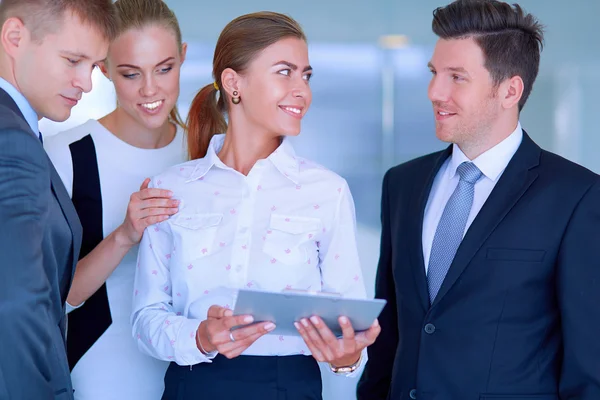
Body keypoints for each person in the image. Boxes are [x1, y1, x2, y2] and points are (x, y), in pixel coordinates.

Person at [131, 11, 381, 400]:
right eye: (285, 72)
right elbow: (145, 318)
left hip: (290, 387)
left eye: (306, 75)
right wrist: (199, 336)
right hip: (193, 383)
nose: (302, 90)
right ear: (234, 84)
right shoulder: (173, 188)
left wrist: (347, 357)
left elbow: (345, 326)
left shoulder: (327, 191)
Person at [357, 1, 600, 399]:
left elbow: (589, 365)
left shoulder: (576, 197)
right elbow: (391, 338)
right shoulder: (402, 185)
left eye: (457, 77)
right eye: (435, 74)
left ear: (510, 90)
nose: (435, 92)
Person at [44, 0, 188, 398]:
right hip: (102, 368)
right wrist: (124, 235)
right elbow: (54, 297)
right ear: (104, 69)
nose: (150, 90)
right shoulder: (66, 154)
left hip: (196, 367)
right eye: (130, 73)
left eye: (164, 68)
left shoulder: (206, 153)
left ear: (184, 57)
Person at [0, 1, 116, 399]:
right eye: (73, 60)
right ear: (14, 37)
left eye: (95, 66)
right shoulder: (11, 139)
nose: (86, 82)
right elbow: (16, 302)